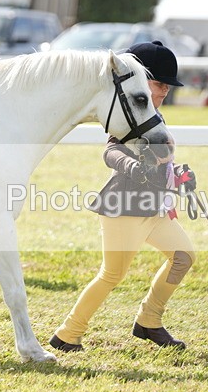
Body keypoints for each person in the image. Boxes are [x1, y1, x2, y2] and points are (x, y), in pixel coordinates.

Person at [49, 40, 196, 352]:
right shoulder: (131, 118)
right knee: (112, 275)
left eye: (168, 86)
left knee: (183, 256)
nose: (165, 91)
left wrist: (180, 174)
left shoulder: (156, 119)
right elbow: (112, 150)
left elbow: (161, 161)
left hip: (154, 209)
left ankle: (149, 321)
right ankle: (67, 334)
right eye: (159, 84)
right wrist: (131, 165)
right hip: (124, 207)